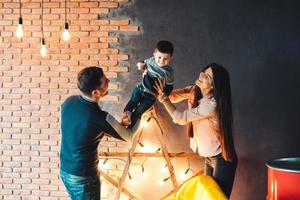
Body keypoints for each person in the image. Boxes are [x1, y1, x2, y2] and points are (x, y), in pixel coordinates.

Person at [154, 63, 237, 198]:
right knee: (205, 195)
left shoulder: (211, 104)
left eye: (208, 76)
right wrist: (163, 88)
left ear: (213, 86)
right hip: (208, 157)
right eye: (204, 72)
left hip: (222, 158)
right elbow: (173, 97)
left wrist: (163, 99)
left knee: (216, 198)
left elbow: (180, 118)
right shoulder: (194, 90)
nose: (202, 75)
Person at [60, 67, 141, 200]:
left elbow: (80, 128)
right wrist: (141, 113)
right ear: (96, 92)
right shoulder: (99, 117)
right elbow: (129, 135)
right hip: (83, 177)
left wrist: (103, 130)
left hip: (65, 170)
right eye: (105, 81)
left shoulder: (69, 101)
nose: (108, 80)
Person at [121, 40, 175, 128]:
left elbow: (169, 86)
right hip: (140, 88)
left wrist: (164, 94)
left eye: (165, 59)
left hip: (151, 97)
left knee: (139, 112)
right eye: (159, 57)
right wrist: (139, 64)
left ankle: (130, 129)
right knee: (132, 102)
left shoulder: (168, 72)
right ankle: (126, 117)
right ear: (154, 54)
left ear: (171, 58)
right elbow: (142, 63)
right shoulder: (151, 61)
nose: (161, 61)